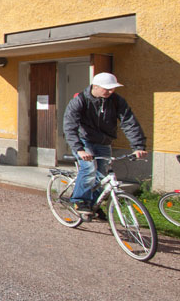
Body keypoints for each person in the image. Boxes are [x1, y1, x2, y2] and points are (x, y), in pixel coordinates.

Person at [63, 72, 147, 212]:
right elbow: (69, 126)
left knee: (102, 175)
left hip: (104, 142)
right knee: (89, 168)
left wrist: (138, 146)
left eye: (112, 88)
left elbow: (129, 123)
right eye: (107, 88)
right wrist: (79, 149)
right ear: (95, 86)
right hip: (84, 141)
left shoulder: (117, 101)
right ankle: (80, 200)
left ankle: (93, 204)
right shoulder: (80, 100)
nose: (110, 91)